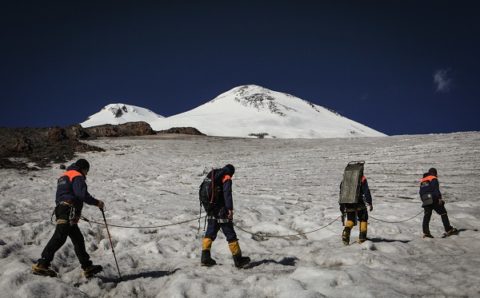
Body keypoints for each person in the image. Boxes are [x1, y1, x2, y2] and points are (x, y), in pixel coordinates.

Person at [32, 159, 105, 277]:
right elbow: (81, 195)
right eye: (87, 171)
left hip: (63, 209)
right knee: (60, 237)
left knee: (78, 240)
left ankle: (87, 266)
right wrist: (97, 203)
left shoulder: (64, 176)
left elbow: (62, 195)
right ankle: (42, 264)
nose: (86, 174)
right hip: (68, 210)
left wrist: (71, 211)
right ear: (83, 168)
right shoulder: (77, 175)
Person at [200, 164, 250, 268]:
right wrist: (230, 209)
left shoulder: (213, 175)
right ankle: (238, 259)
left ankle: (205, 257)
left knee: (210, 233)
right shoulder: (226, 177)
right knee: (230, 234)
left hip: (211, 210)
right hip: (221, 210)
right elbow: (227, 193)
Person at [339, 165, 373, 245]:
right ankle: (362, 238)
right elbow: (366, 191)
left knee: (350, 220)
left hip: (347, 203)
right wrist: (369, 203)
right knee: (363, 218)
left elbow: (341, 194)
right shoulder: (362, 178)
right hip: (359, 202)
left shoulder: (345, 180)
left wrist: (342, 207)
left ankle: (345, 233)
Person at [419, 168, 457, 238]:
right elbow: (435, 189)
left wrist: (424, 200)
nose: (436, 175)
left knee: (427, 216)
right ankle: (448, 229)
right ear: (434, 173)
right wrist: (439, 198)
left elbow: (421, 192)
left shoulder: (423, 180)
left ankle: (426, 233)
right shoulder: (433, 178)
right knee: (443, 212)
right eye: (436, 173)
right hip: (433, 198)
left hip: (425, 198)